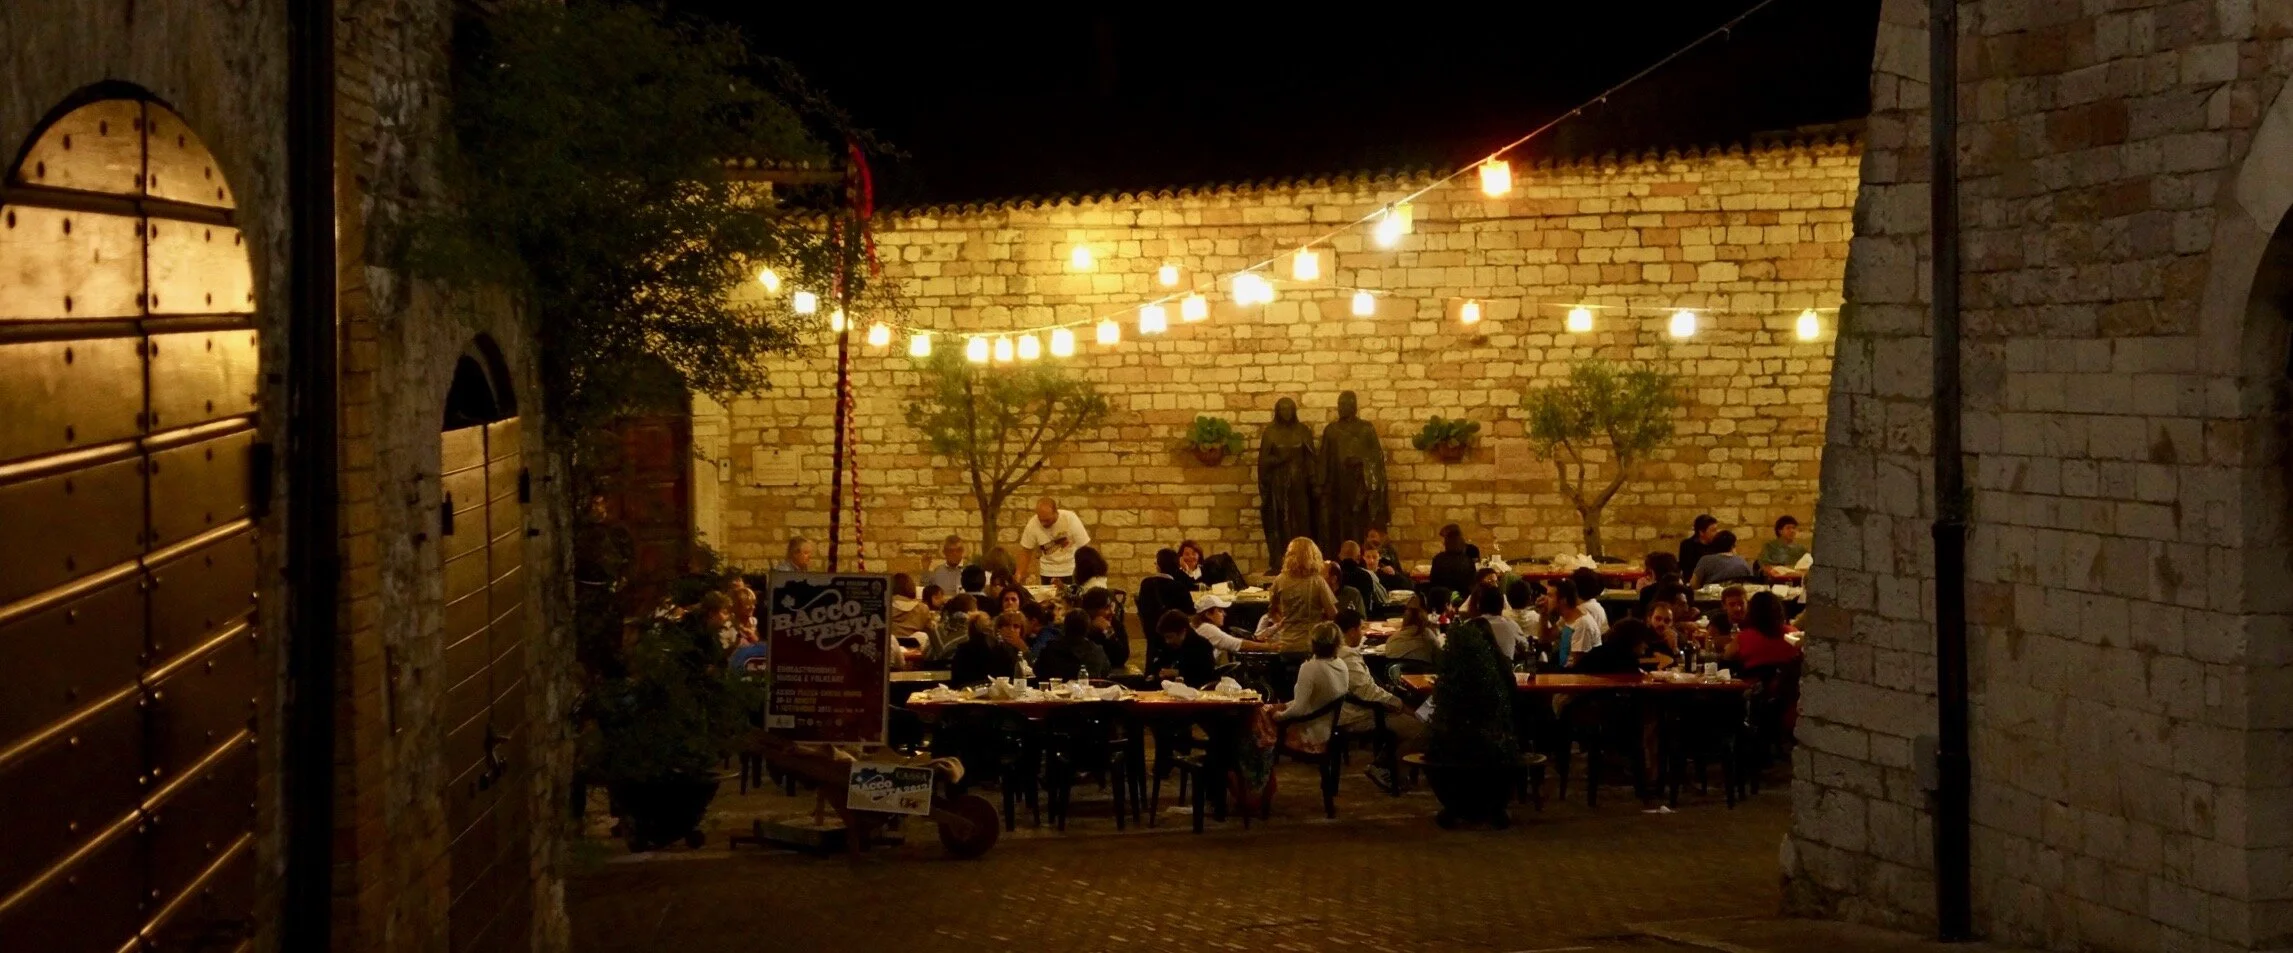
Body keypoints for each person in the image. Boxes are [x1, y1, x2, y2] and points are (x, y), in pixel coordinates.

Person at [1279, 623, 1421, 772]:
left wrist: (1280, 715)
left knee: (1418, 729)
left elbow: (1303, 706)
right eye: (1360, 628)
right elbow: (1367, 692)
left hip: (1331, 720)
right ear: (1348, 634)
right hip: (1348, 715)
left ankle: (1384, 767)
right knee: (1420, 729)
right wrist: (1399, 705)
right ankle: (1386, 770)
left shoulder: (1314, 665)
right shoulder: (1341, 661)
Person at [1266, 537, 1339, 657]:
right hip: (1311, 645)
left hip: (1286, 645)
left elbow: (1272, 611)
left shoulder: (1280, 580)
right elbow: (1332, 614)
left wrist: (1285, 622)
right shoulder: (1317, 581)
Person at [1018, 497, 1091, 583]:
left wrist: (1088, 573)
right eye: (1040, 520)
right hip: (1047, 572)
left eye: (1047, 520)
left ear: (1055, 512)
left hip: (1071, 570)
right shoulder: (1033, 523)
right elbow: (1026, 551)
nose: (1043, 523)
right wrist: (1019, 575)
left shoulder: (1070, 518)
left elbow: (1085, 547)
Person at [1730, 591, 1804, 670]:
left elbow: (1726, 656)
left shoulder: (1743, 637)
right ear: (1779, 610)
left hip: (1753, 681)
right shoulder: (1793, 633)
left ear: (1752, 612)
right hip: (1786, 681)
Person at [1146, 609, 1220, 687]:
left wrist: (1177, 673)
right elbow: (1159, 664)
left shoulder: (1202, 646)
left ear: (1183, 632)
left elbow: (1204, 675)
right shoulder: (1170, 646)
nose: (1167, 641)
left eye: (1170, 637)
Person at [1538, 579, 1603, 667]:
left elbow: (1575, 667)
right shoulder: (1567, 617)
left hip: (1574, 676)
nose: (1545, 600)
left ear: (1563, 600)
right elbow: (1544, 639)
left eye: (1550, 596)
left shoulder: (1582, 625)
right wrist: (1543, 614)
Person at [1036, 608, 1112, 681]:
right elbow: (1106, 671)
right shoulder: (1097, 652)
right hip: (1089, 693)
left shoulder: (1050, 650)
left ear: (1064, 626)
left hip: (1055, 692)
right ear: (1088, 629)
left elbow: (1038, 671)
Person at [949, 612, 1022, 687]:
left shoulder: (962, 650)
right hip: (998, 695)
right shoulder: (1004, 650)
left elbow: (956, 682)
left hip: (966, 694)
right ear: (990, 629)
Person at [1139, 548, 1196, 636]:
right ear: (1178, 566)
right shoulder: (1179, 588)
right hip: (1175, 636)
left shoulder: (1146, 584)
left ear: (1158, 566)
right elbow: (1191, 612)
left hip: (1152, 634)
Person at [1192, 601, 1274, 658]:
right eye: (1220, 611)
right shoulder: (1207, 629)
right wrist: (1271, 646)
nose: (1224, 614)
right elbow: (1239, 644)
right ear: (1208, 614)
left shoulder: (1201, 626)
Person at [1570, 617, 1651, 674]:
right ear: (1633, 640)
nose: (1646, 645)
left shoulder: (1599, 653)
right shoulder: (1625, 663)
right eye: (1643, 640)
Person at [1472, 584, 1528, 663]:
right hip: (1505, 672)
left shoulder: (1469, 625)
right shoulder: (1511, 625)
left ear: (1478, 605)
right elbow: (1525, 646)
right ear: (1502, 605)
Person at [1383, 594, 1442, 666]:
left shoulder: (1392, 640)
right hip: (1423, 675)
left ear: (1404, 621)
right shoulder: (1428, 635)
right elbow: (1439, 657)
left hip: (1396, 676)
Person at [1078, 587, 1129, 671]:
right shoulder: (1079, 625)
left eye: (1111, 607)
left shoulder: (1115, 624)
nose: (1112, 612)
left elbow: (1121, 658)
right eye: (1106, 608)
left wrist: (1109, 632)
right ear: (1092, 610)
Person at [1429, 523, 1480, 599]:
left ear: (1447, 541)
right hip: (1462, 599)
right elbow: (1472, 585)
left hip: (1442, 599)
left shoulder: (1438, 559)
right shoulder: (1467, 561)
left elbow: (1433, 582)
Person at [1689, 531, 1756, 587]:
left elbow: (1694, 584)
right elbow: (1751, 583)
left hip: (1710, 601)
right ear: (1733, 546)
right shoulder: (1742, 562)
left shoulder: (1705, 560)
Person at [1335, 540, 1388, 611]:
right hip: (1362, 619)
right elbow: (1370, 606)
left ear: (1340, 555)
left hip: (1338, 619)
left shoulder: (1333, 576)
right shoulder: (1365, 576)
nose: (1371, 561)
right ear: (1359, 557)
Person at [926, 594, 977, 664]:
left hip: (932, 671)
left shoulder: (937, 630)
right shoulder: (970, 634)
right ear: (970, 613)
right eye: (976, 610)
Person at [891, 573, 934, 640]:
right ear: (911, 586)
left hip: (890, 645)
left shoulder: (884, 606)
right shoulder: (922, 608)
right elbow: (930, 630)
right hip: (914, 645)